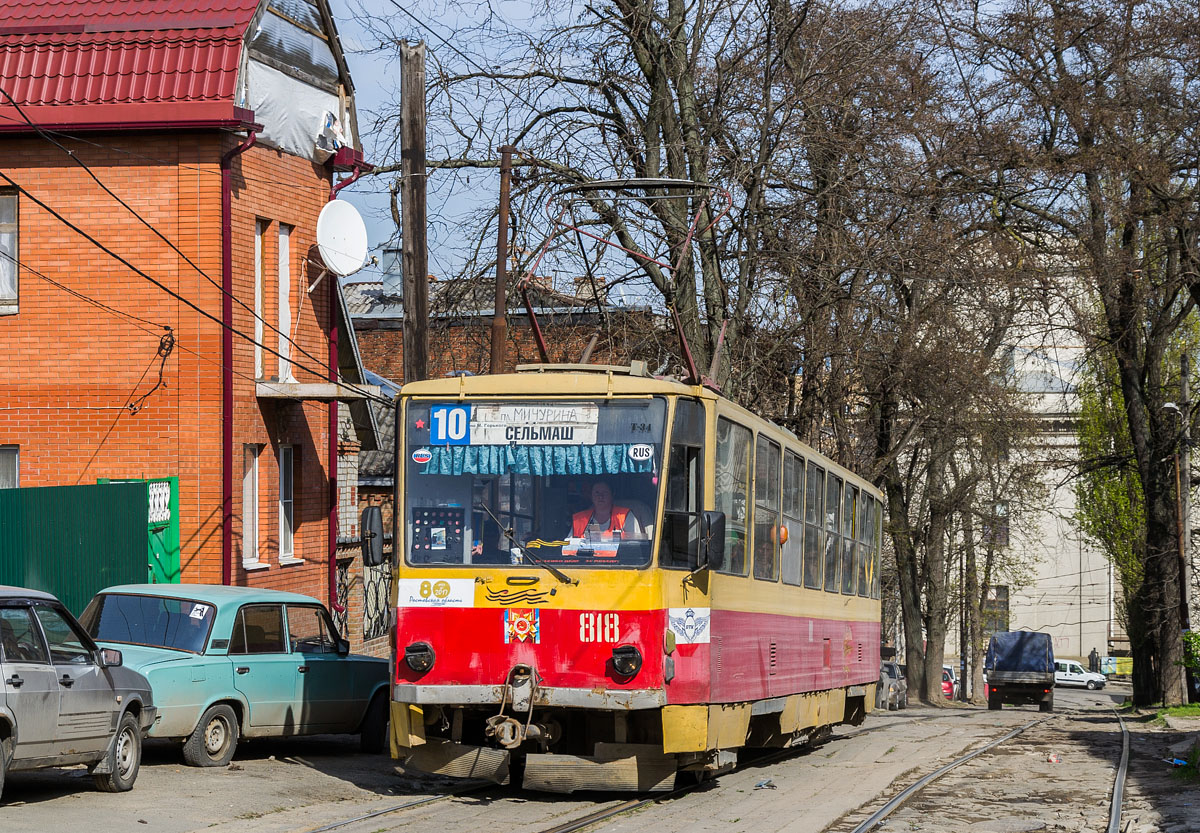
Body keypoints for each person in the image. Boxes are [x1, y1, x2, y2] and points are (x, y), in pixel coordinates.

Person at [570, 481, 643, 539]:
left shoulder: (625, 515)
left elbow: (637, 544)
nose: (600, 496)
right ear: (591, 495)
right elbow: (567, 544)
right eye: (597, 493)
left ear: (612, 494)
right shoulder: (579, 519)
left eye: (605, 492)